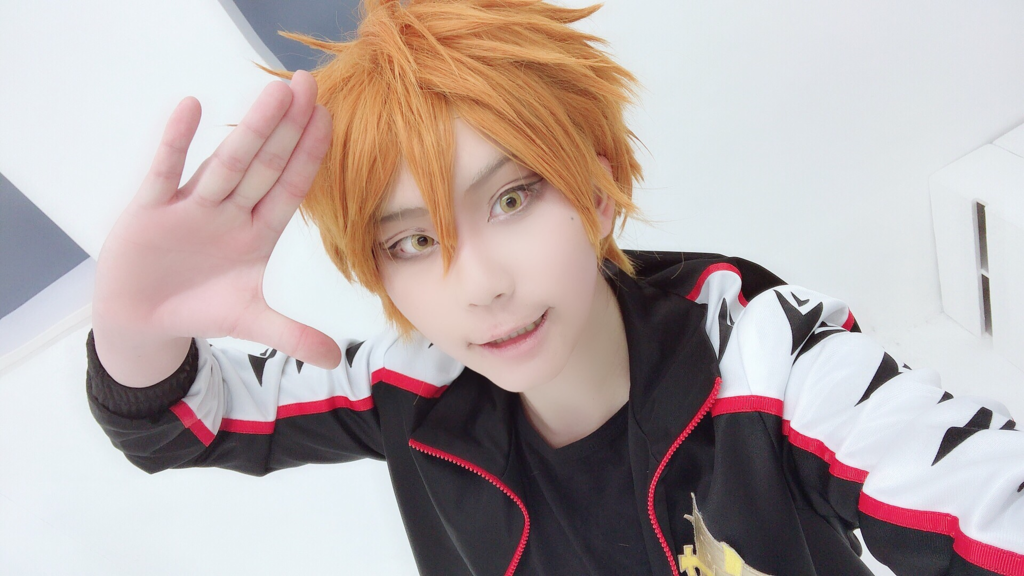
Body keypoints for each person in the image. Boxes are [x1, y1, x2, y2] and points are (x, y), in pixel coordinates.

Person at [86, 0, 1024, 574]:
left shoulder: (773, 368)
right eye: (413, 241)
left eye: (513, 198)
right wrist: (137, 324)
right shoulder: (407, 381)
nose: (480, 285)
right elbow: (185, 422)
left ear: (600, 186)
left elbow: (980, 502)